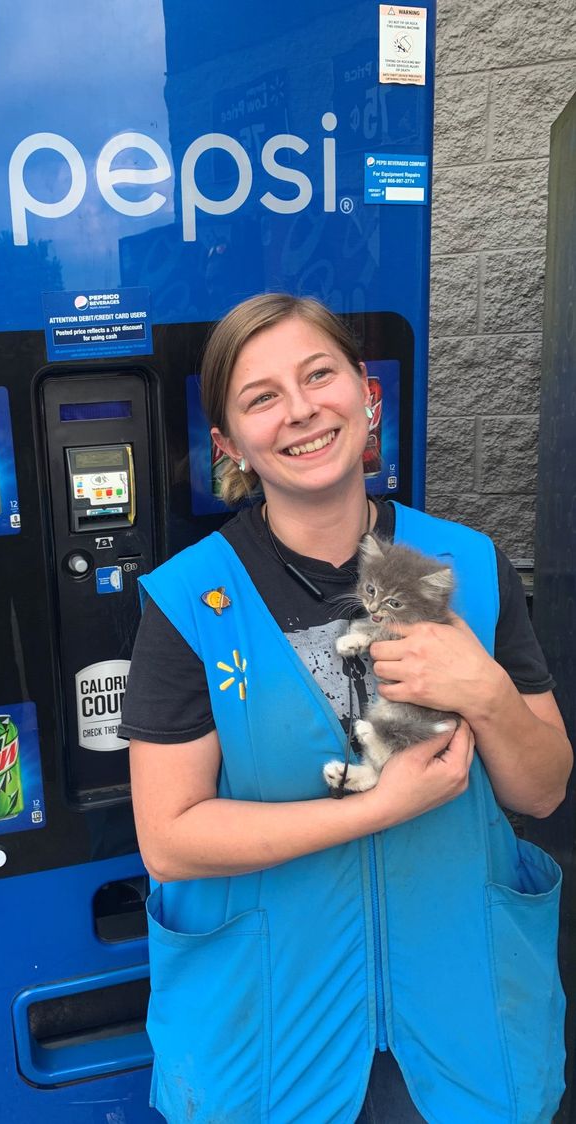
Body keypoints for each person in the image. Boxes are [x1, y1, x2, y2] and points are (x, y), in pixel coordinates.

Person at [119, 294, 572, 1123]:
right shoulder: (188, 602)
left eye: (317, 375)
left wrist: (485, 693)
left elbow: (542, 789)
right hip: (270, 1045)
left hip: (466, 1025)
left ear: (366, 394)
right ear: (231, 446)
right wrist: (379, 810)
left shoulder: (467, 565)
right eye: (260, 397)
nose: (299, 410)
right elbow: (170, 838)